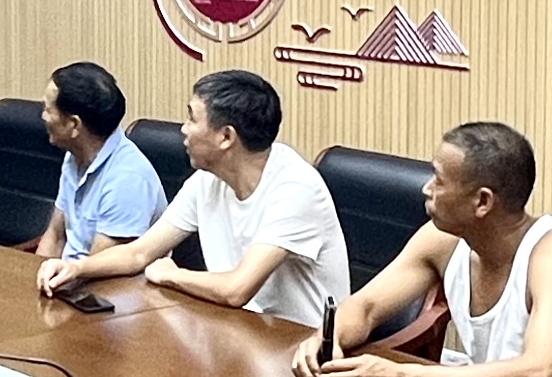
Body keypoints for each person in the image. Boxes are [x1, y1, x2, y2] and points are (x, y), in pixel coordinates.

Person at [293, 122, 552, 377]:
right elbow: (366, 307)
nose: (426, 189)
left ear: (482, 202)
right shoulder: (442, 239)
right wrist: (325, 339)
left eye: (439, 180)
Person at [41, 69, 348, 327]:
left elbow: (236, 289)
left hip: (299, 346)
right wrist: (76, 268)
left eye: (192, 119)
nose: (183, 129)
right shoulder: (206, 180)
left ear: (226, 137)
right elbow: (138, 253)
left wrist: (173, 276)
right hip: (235, 330)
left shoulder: (295, 188)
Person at [30, 61, 166, 279]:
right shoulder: (74, 156)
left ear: (74, 125)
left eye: (47, 109)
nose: (43, 117)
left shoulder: (127, 179)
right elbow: (55, 236)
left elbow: (98, 273)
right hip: (67, 281)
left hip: (105, 290)